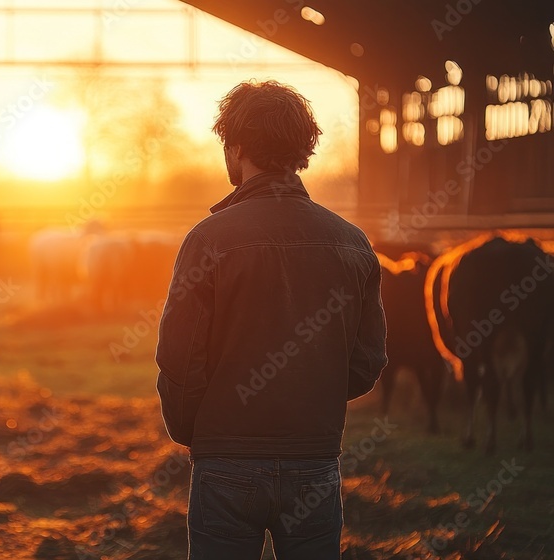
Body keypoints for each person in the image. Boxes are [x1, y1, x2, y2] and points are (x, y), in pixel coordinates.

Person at [155, 80, 387, 559]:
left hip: (225, 465)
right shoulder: (351, 242)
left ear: (237, 148)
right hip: (316, 463)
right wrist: (308, 398)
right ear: (302, 150)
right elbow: (368, 361)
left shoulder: (208, 241)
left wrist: (194, 431)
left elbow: (180, 358)